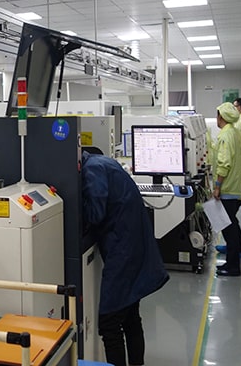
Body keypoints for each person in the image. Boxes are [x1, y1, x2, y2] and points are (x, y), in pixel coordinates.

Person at [81, 151, 169, 366]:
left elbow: (95, 213)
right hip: (132, 245)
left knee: (109, 323)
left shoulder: (92, 169)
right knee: (130, 315)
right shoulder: (104, 162)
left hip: (123, 250)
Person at [213, 102, 241, 276]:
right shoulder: (235, 132)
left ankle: (233, 267)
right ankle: (232, 263)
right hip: (234, 185)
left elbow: (224, 163)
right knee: (231, 225)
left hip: (227, 188)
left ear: (221, 117)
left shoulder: (225, 136)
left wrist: (217, 186)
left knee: (228, 228)